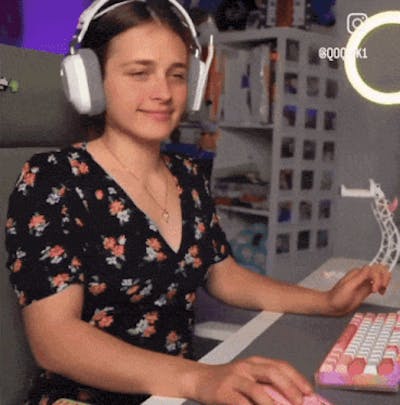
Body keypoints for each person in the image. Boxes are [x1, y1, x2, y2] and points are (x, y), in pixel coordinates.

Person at [4, 1, 391, 405]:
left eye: (176, 75)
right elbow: (55, 340)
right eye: (139, 73)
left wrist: (326, 302)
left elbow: (223, 275)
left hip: (178, 394)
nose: (163, 93)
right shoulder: (52, 179)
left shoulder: (187, 175)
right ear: (91, 80)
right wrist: (199, 380)